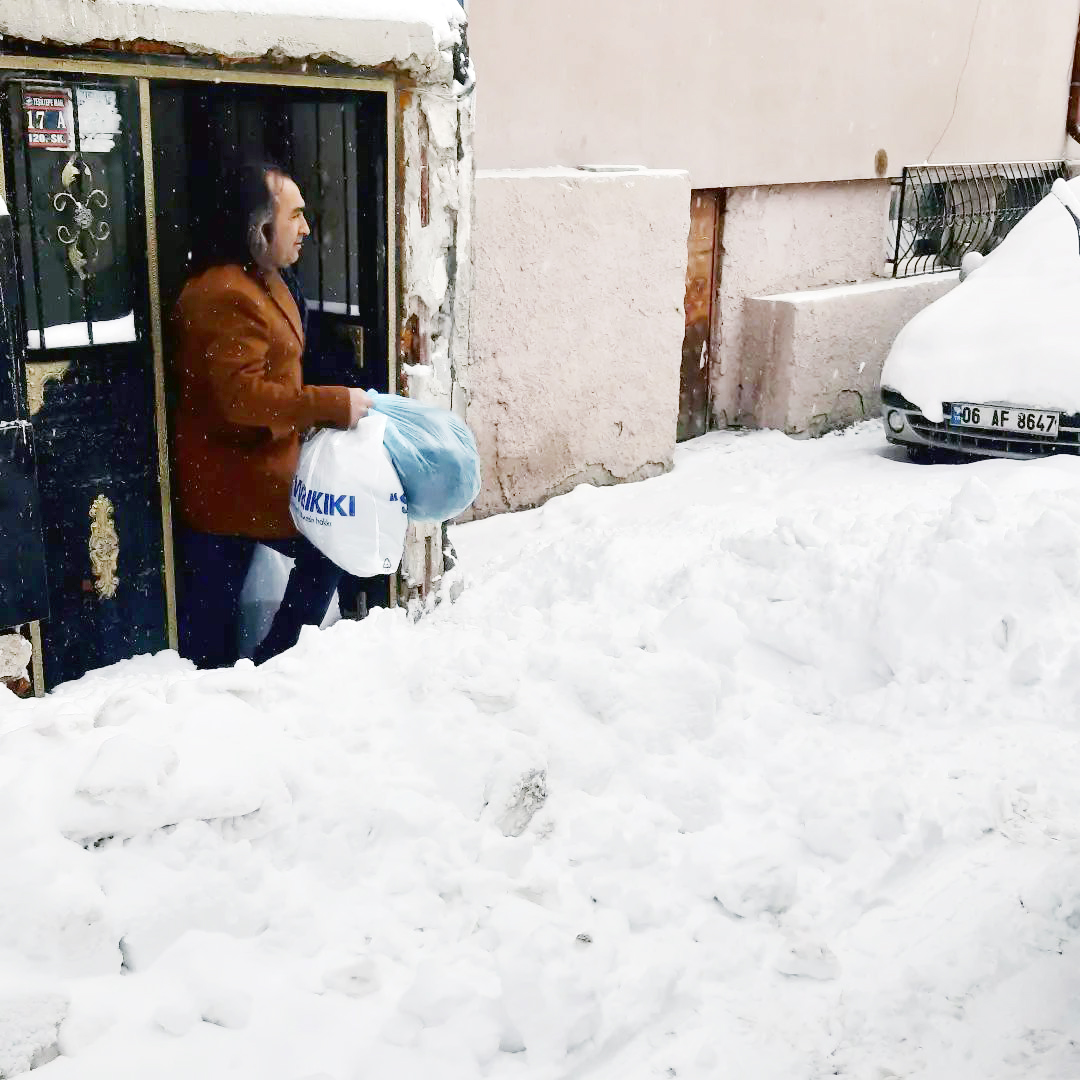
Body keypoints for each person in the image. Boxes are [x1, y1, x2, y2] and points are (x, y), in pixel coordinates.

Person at [171, 161, 370, 668]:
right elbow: (243, 400)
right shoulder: (222, 291)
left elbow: (286, 361)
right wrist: (330, 405)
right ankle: (274, 662)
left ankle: (271, 663)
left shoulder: (266, 280)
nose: (306, 228)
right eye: (296, 216)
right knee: (208, 640)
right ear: (259, 225)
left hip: (263, 474)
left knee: (325, 546)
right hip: (233, 486)